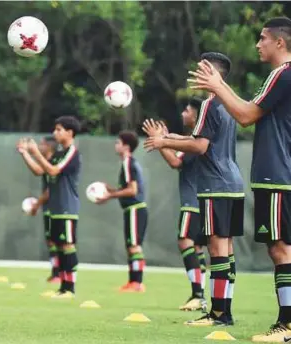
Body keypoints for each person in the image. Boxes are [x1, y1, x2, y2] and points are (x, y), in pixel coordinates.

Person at [188, 17, 291, 341]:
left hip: (278, 175)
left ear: (279, 42)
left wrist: (218, 86)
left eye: (262, 38)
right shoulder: (279, 76)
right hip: (276, 174)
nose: (257, 44)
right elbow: (249, 110)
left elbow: (246, 116)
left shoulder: (282, 74)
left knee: (281, 249)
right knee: (280, 249)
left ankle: (287, 325)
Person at [145, 52, 244, 326]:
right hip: (232, 184)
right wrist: (168, 138)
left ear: (213, 72)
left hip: (215, 186)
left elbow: (200, 146)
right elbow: (197, 139)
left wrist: (164, 143)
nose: (195, 74)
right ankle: (224, 312)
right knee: (226, 248)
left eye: (201, 69)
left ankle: (218, 313)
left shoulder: (210, 105)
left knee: (216, 250)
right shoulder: (229, 103)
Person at [142, 99, 207, 311]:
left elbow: (174, 162)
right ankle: (201, 295)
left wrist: (158, 140)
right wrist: (164, 137)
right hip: (204, 201)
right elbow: (177, 148)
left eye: (187, 110)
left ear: (196, 116)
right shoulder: (195, 140)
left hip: (193, 201)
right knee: (197, 247)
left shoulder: (195, 142)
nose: (183, 113)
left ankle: (198, 293)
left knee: (185, 242)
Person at [25, 116, 82, 298]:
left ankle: (70, 287)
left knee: (67, 246)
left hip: (67, 208)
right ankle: (62, 288)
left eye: (59, 129)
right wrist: (26, 153)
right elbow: (40, 171)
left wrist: (35, 152)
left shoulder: (72, 152)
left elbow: (54, 171)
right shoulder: (58, 153)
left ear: (70, 132)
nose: (54, 133)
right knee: (59, 246)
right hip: (56, 209)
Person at [96, 131, 148, 293]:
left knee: (134, 246)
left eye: (118, 142)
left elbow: (132, 191)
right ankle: (133, 281)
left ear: (126, 146)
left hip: (135, 209)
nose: (115, 145)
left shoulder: (128, 163)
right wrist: (111, 190)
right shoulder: (128, 163)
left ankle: (137, 283)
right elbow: (128, 188)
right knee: (131, 246)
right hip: (133, 210)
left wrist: (109, 195)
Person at [17, 136, 60, 282]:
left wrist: (36, 205)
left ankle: (62, 274)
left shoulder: (56, 162)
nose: (39, 146)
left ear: (48, 147)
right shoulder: (47, 163)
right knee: (51, 241)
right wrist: (24, 153)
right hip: (49, 207)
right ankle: (56, 273)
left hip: (58, 207)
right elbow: (37, 170)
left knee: (60, 242)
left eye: (41, 144)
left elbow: (51, 190)